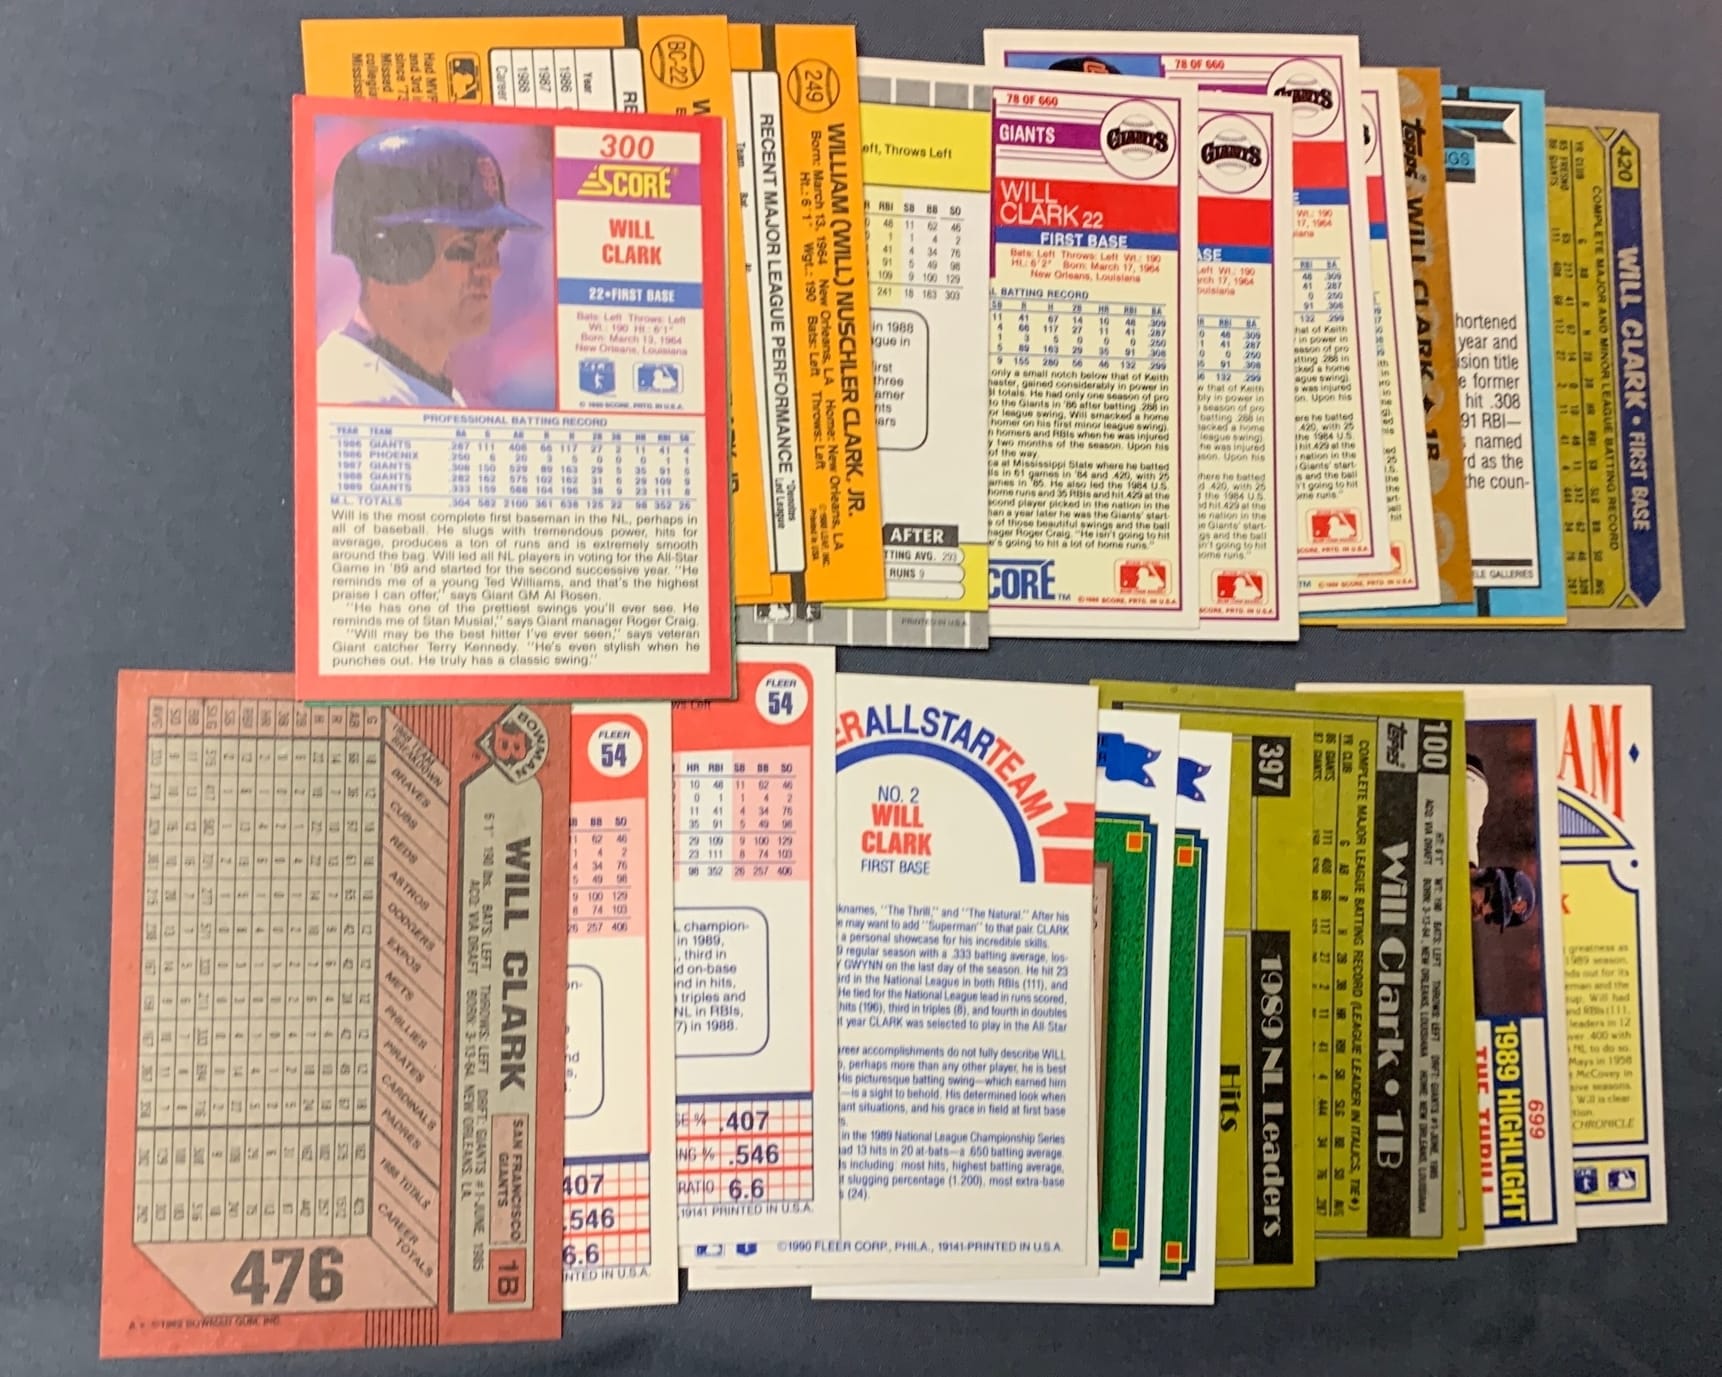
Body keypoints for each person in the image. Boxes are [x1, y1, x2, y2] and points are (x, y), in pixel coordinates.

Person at [318, 126, 542, 406]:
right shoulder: (358, 394)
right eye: (464, 248)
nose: (492, 270)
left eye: (494, 245)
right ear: (391, 257)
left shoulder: (413, 384)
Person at [1466, 752, 1536, 929]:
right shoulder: (1463, 835)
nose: (1483, 911)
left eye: (1493, 916)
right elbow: (1474, 774)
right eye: (1494, 901)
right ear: (1486, 876)